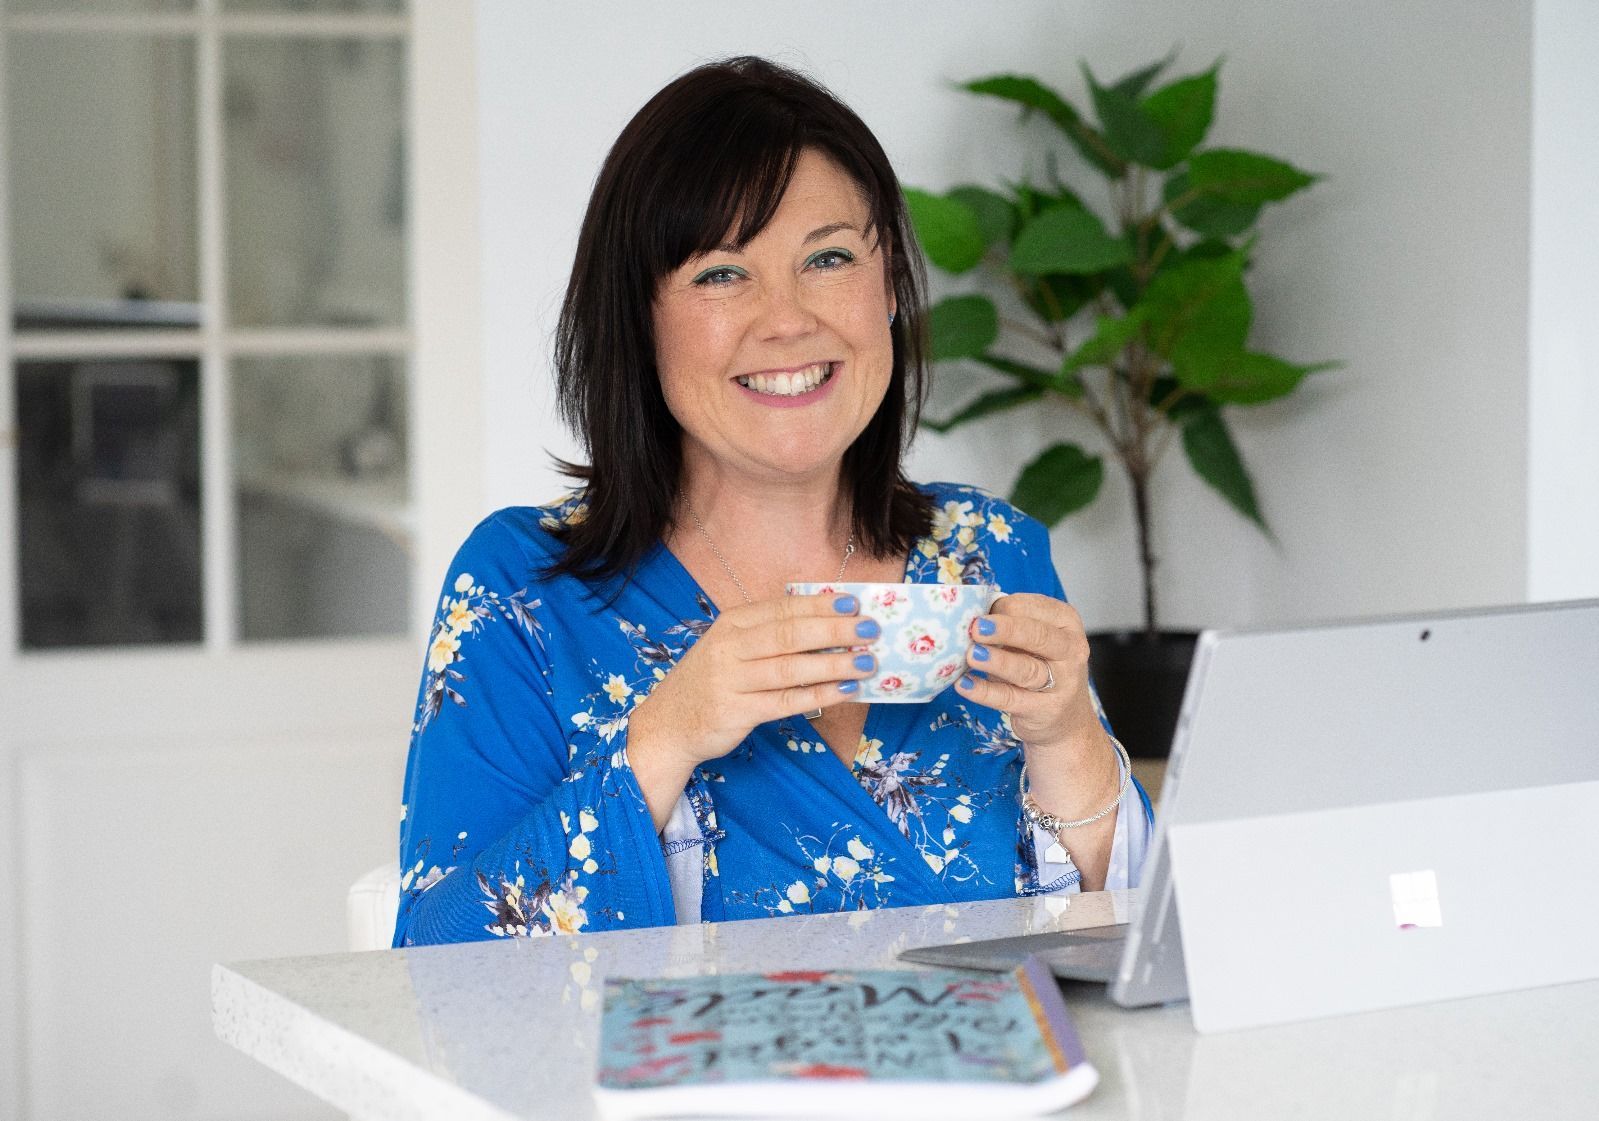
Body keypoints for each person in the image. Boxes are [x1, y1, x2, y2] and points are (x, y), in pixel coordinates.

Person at [394, 56, 1152, 946]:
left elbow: (1125, 945)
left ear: (890, 292)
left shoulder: (990, 548)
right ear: (637, 319)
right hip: (681, 1088)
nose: (787, 321)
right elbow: (429, 970)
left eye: (828, 258)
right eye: (722, 273)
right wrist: (662, 742)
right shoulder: (520, 590)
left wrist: (1065, 738)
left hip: (1001, 1081)